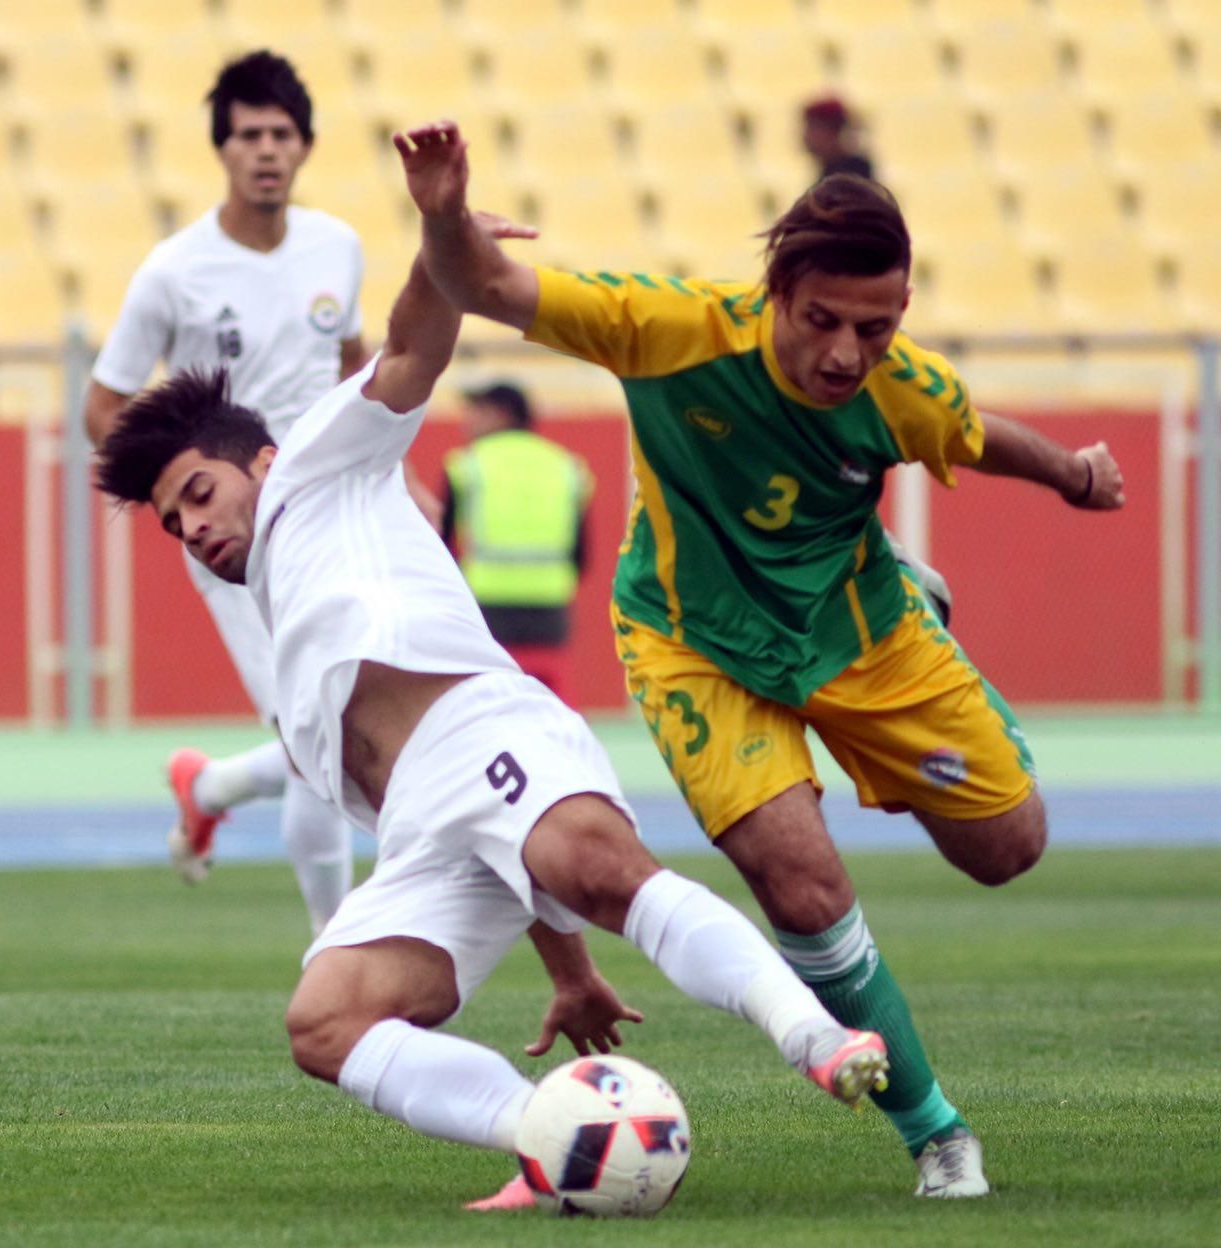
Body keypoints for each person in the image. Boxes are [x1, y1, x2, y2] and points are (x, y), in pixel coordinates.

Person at [393, 119, 1126, 1200]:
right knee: (799, 888)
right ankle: (933, 1132)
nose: (842, 353)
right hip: (695, 643)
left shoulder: (900, 386)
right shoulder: (669, 328)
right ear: (773, 290)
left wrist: (1073, 474)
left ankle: (910, 604)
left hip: (858, 629)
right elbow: (483, 282)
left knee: (1005, 850)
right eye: (819, 320)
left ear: (902, 313)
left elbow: (973, 436)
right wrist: (445, 214)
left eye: (870, 329)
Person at [90, 227, 894, 1206]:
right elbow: (480, 843)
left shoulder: (316, 462)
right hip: (423, 833)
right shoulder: (286, 639)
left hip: (484, 730)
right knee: (324, 1023)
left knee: (597, 870)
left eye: (199, 495)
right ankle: (549, 1137)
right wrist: (566, 970)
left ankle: (814, 1034)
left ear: (258, 460)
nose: (194, 529)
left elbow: (413, 344)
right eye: (175, 523)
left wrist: (440, 233)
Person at [83, 50, 436, 933]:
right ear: (224, 150)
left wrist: (401, 473)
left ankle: (207, 787)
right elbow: (102, 404)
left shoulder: (338, 247)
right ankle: (339, 946)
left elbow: (355, 365)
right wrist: (181, 499)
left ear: (306, 146)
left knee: (343, 713)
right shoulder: (175, 270)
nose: (266, 151)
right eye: (249, 136)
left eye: (281, 134)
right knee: (317, 728)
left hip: (327, 507)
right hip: (239, 534)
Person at [440, 381, 593, 704]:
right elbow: (581, 552)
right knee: (550, 701)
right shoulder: (567, 466)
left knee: (488, 701)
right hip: (549, 604)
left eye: (477, 411)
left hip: (486, 604)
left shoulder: (467, 465)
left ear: (502, 415)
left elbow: (443, 545)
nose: (467, 420)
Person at [802, 94, 874, 182]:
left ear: (832, 132)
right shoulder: (831, 169)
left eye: (812, 128)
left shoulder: (849, 173)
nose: (806, 137)